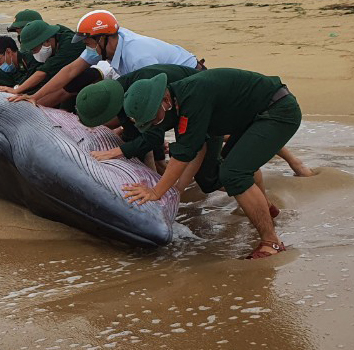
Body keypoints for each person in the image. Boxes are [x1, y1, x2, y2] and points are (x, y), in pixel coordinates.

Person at [121, 69, 303, 259]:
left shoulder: (192, 99)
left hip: (278, 111)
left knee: (233, 173)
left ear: (165, 100)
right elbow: (198, 149)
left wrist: (156, 192)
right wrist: (175, 191)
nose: (156, 125)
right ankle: (265, 207)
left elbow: (183, 155)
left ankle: (271, 242)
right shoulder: (180, 102)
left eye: (155, 119)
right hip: (254, 116)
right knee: (231, 165)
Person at [11, 9, 202, 105]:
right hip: (161, 80)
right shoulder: (101, 45)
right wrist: (33, 97)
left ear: (102, 39)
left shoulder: (137, 55)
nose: (87, 49)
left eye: (87, 43)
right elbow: (69, 71)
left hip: (191, 78)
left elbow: (155, 97)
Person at [0, 19, 101, 99]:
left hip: (97, 73)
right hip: (79, 70)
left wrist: (19, 91)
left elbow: (46, 72)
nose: (34, 53)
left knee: (70, 84)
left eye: (35, 49)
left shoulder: (70, 45)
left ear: (47, 41)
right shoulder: (55, 38)